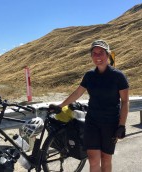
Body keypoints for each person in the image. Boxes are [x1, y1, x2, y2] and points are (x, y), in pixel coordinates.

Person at [51, 40, 129, 172]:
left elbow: (125, 102)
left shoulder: (118, 76)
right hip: (92, 122)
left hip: (110, 123)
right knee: (93, 159)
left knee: (106, 159)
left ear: (108, 54)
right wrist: (60, 105)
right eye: (94, 53)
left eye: (101, 53)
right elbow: (77, 93)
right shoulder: (89, 75)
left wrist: (121, 125)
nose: (98, 56)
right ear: (91, 56)